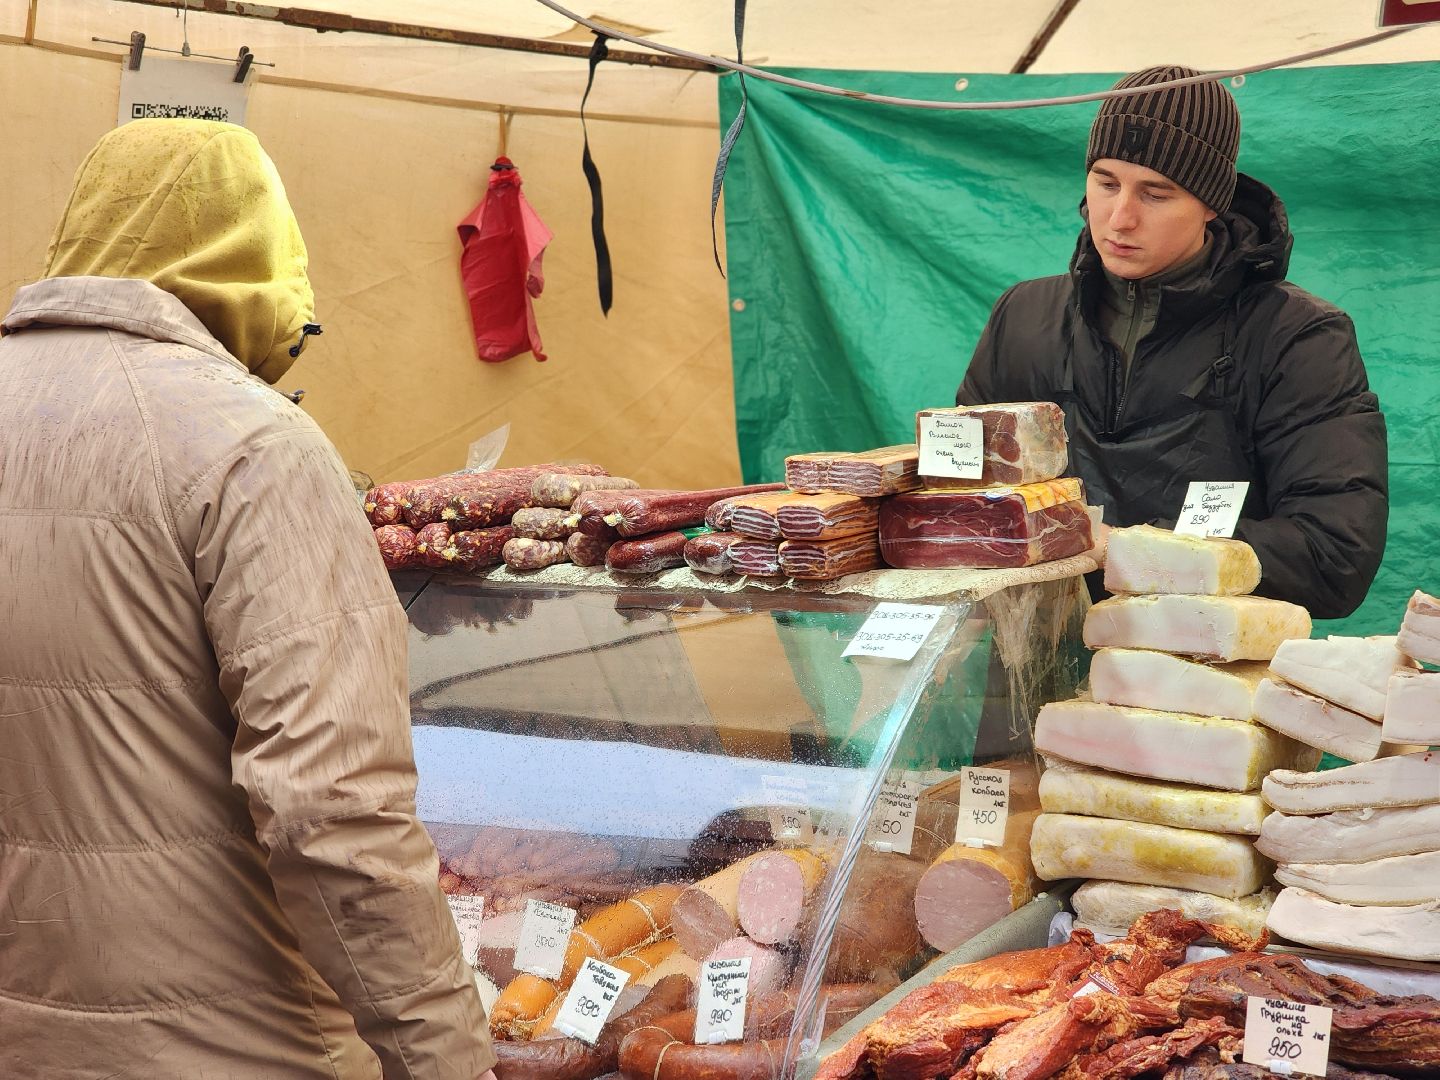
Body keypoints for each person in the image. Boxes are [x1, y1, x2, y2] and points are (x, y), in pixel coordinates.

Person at [0, 120, 496, 1079]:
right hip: (230, 1046)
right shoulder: (252, 445)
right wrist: (446, 1059)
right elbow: (333, 811)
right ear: (261, 256)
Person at [956, 66, 1387, 619]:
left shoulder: (1297, 336)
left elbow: (1334, 557)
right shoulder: (1024, 315)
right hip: (1026, 663)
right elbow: (960, 495)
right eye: (1106, 183)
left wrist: (1130, 550)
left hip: (1203, 675)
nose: (1120, 217)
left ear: (1211, 203)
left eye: (1156, 194)